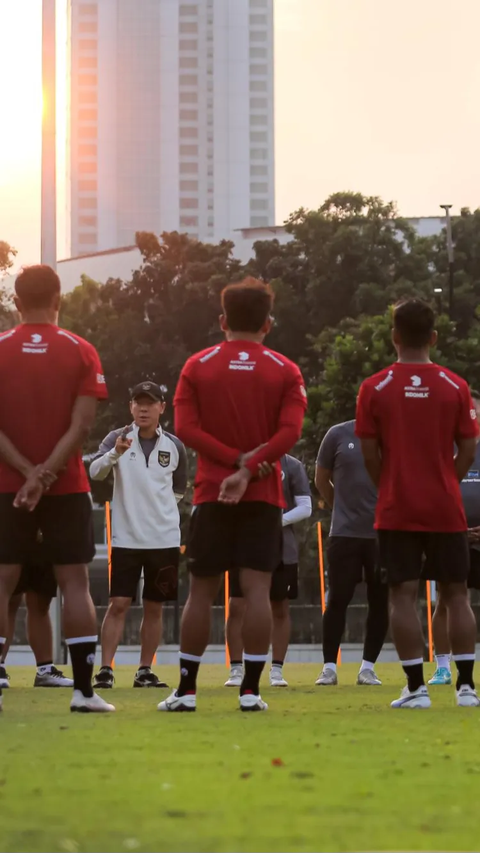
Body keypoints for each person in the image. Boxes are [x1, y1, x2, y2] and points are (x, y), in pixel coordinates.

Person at [159, 277, 307, 713]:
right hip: (262, 496)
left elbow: (186, 429)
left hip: (211, 494)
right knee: (258, 592)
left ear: (223, 320)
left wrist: (232, 463)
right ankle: (251, 692)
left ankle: (186, 691)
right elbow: (291, 433)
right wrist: (249, 468)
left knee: (201, 592)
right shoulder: (285, 369)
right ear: (268, 323)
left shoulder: (198, 364)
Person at [0, 264, 113, 713]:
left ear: (15, 301)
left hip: (5, 486)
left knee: (3, 578)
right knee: (74, 580)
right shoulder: (81, 350)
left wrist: (28, 474)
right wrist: (46, 473)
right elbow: (82, 425)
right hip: (65, 486)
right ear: (59, 299)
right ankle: (84, 692)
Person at [356, 297, 479, 709]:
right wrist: (447, 481)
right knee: (457, 594)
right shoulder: (456, 386)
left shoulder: (373, 388)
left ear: (394, 337)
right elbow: (468, 448)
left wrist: (390, 484)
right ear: (434, 337)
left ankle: (416, 688)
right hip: (445, 506)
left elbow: (370, 455)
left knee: (402, 595)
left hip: (397, 506)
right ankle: (466, 688)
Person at [89, 381, 187, 689]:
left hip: (165, 540)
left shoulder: (175, 445)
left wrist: (157, 513)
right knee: (118, 603)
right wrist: (114, 454)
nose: (143, 408)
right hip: (126, 539)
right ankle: (105, 669)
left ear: (161, 407)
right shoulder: (117, 438)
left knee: (154, 606)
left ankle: (145, 670)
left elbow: (179, 491)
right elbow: (94, 472)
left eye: (150, 403)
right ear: (131, 407)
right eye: (137, 402)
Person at [225, 454, 312, 688]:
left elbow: (306, 507)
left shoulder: (292, 465)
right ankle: (236, 669)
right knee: (237, 606)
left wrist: (274, 521)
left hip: (281, 548)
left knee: (280, 607)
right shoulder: (241, 461)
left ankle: (276, 670)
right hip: (244, 545)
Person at [315, 419, 389, 686]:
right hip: (344, 534)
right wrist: (340, 508)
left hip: (382, 534)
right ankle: (329, 668)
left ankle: (367, 668)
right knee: (337, 600)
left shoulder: (391, 435)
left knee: (380, 601)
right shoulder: (337, 434)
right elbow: (321, 478)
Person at [428, 390, 480, 686]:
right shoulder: (443, 450)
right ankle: (444, 667)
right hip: (450, 534)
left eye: (475, 410)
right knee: (447, 601)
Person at [0, 540, 73, 688]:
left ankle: (45, 670)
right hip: (12, 531)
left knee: (40, 600)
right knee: (9, 599)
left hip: (44, 536)